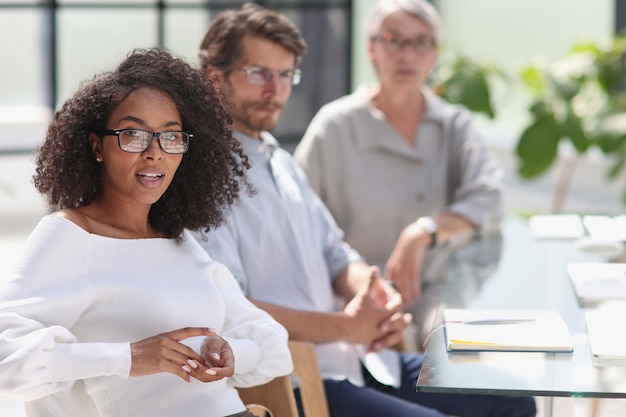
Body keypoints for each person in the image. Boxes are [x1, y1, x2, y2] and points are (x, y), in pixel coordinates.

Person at [195, 3, 535, 417]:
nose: (275, 90)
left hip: (361, 361)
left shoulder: (280, 161)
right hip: (301, 380)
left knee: (513, 399)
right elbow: (236, 308)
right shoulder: (203, 179)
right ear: (215, 77)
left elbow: (336, 255)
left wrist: (377, 299)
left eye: (285, 75)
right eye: (258, 73)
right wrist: (347, 326)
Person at [0, 48, 292, 417]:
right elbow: (6, 359)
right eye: (133, 134)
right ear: (96, 146)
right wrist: (126, 357)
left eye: (171, 137)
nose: (155, 153)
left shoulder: (179, 241)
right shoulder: (71, 236)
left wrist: (233, 352)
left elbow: (272, 344)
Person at [293, 0, 504, 347]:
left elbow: (490, 196)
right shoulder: (335, 126)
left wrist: (423, 232)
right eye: (393, 39)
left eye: (420, 42)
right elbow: (298, 219)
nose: (406, 55)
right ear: (371, 48)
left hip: (438, 294)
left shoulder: (454, 125)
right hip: (356, 298)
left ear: (434, 55)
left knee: (456, 361)